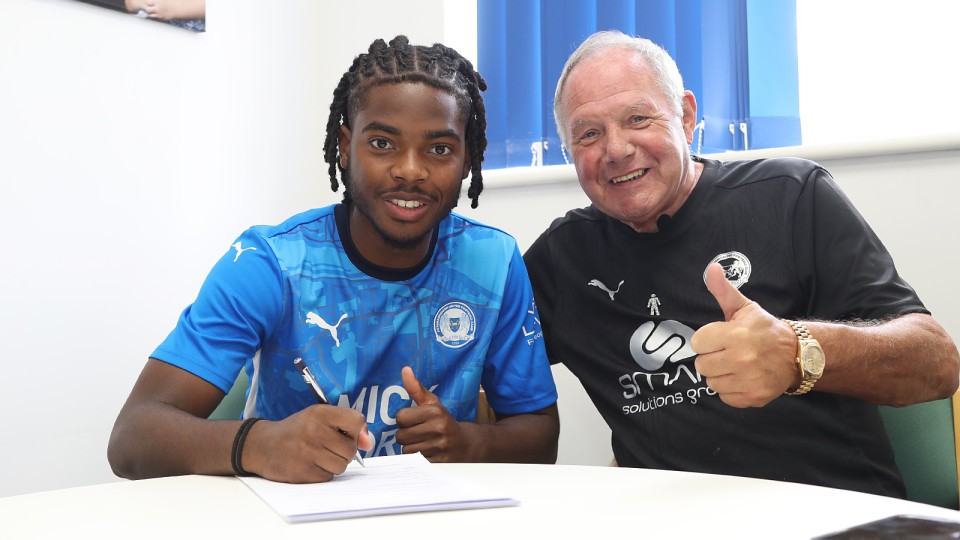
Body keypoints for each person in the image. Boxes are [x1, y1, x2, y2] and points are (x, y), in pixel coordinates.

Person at [524, 30, 959, 497]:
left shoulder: (790, 195)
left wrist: (796, 353)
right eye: (589, 133)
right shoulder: (562, 257)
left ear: (686, 116)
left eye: (637, 117)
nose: (616, 149)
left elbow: (936, 363)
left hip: (834, 515)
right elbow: (477, 362)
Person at [108, 35, 559, 484]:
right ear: (345, 147)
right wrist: (261, 444)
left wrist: (470, 443)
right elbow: (132, 438)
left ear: (467, 160)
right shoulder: (271, 263)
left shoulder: (493, 263)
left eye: (439, 149)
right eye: (382, 143)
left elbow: (542, 437)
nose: (410, 170)